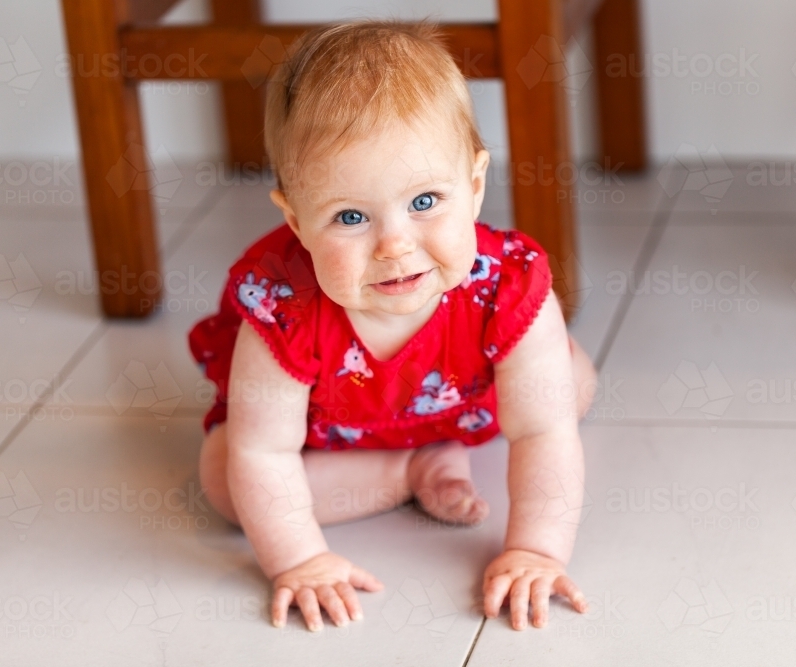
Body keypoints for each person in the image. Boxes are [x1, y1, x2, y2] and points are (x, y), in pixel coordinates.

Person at [188, 19, 598, 633]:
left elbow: (543, 433)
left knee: (570, 383)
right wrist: (300, 559)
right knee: (227, 480)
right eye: (351, 216)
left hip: (467, 406)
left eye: (426, 202)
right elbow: (264, 450)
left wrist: (537, 550)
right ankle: (407, 472)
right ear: (297, 223)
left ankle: (439, 448)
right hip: (331, 440)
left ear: (476, 185)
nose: (395, 245)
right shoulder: (285, 309)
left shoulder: (504, 288)